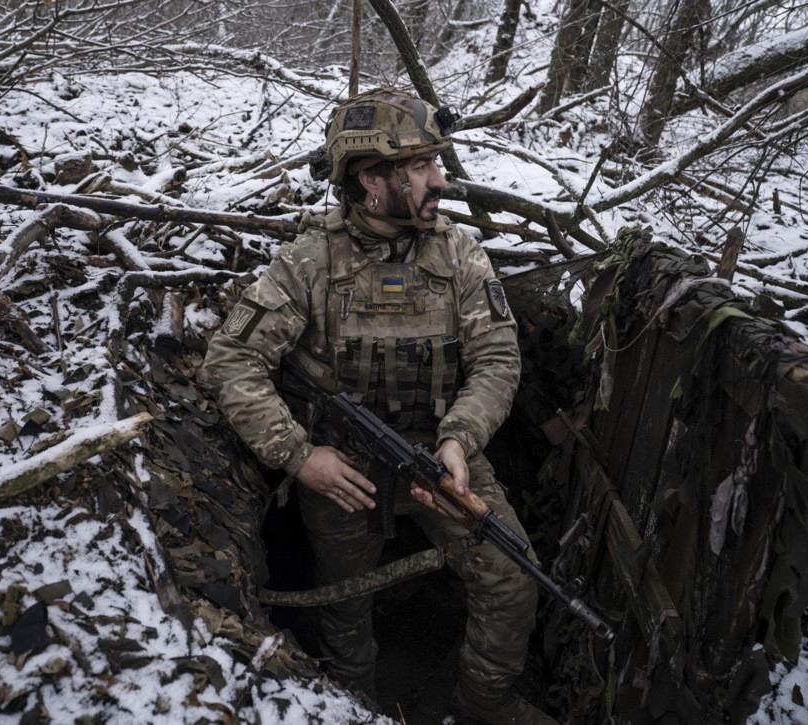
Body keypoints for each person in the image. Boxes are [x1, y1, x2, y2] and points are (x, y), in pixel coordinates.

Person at [199, 88, 552, 724]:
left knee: (511, 577)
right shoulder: (309, 261)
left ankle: (481, 708)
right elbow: (232, 361)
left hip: (441, 460)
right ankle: (349, 704)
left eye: (435, 165)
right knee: (341, 605)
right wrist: (301, 458)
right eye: (420, 168)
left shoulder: (459, 253)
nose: (439, 181)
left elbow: (499, 361)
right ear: (370, 181)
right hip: (344, 472)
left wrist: (459, 441)